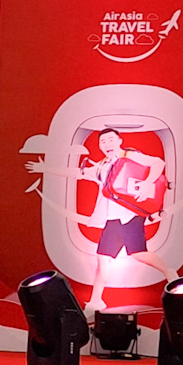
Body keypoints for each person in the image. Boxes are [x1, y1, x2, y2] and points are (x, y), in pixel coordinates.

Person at [75, 127, 173, 313]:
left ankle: (169, 272)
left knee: (138, 253)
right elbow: (77, 172)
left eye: (111, 140)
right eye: (103, 142)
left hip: (130, 215)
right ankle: (96, 301)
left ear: (119, 141)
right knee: (103, 259)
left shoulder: (129, 155)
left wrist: (147, 183)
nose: (107, 144)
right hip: (112, 218)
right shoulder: (102, 166)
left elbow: (158, 163)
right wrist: (46, 168)